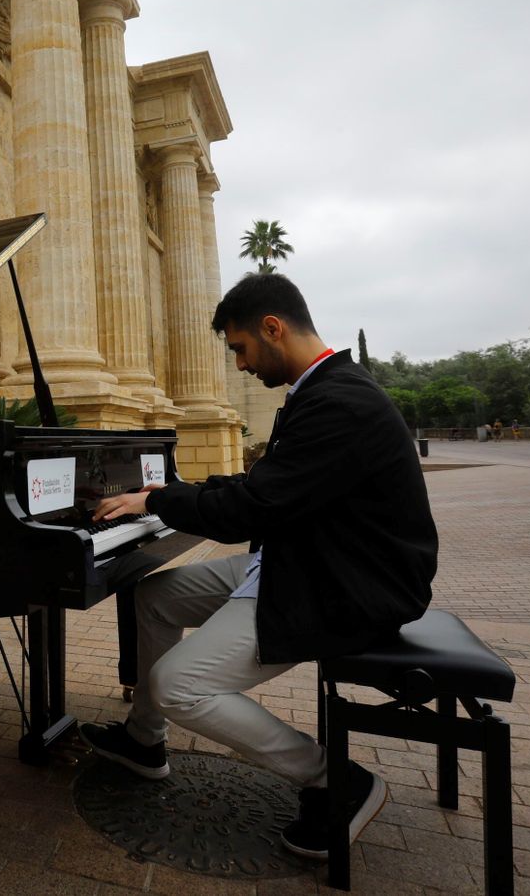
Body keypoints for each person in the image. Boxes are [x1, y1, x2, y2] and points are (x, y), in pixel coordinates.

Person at [78, 273, 437, 861]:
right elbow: (266, 488)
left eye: (241, 348)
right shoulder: (319, 390)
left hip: (345, 583)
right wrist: (176, 491)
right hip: (303, 560)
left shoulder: (341, 402)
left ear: (274, 328)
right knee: (155, 597)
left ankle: (335, 781)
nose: (241, 365)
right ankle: (145, 742)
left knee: (180, 685)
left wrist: (158, 500)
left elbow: (256, 505)